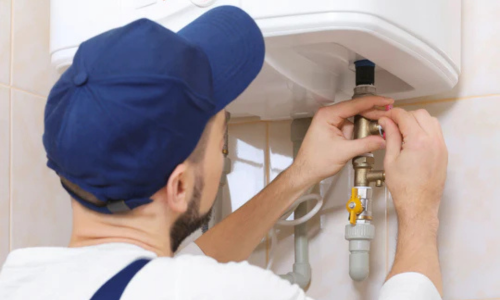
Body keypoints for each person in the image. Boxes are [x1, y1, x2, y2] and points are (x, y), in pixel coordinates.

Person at [0, 6, 447, 300]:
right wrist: (420, 211)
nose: (224, 149)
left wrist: (300, 175)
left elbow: (173, 275)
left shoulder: (20, 279)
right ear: (178, 185)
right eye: (222, 139)